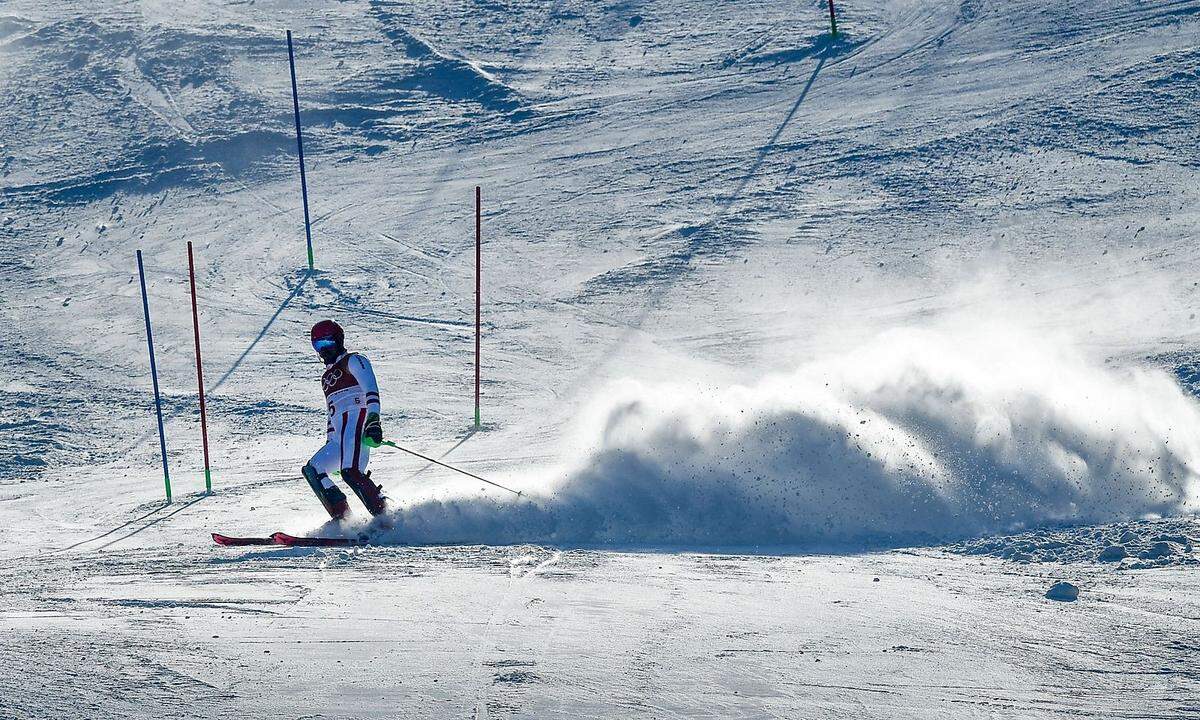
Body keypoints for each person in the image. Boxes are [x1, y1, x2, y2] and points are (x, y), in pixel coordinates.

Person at [301, 319, 387, 519]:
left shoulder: (355, 360)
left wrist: (373, 420)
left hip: (357, 425)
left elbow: (371, 390)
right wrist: (330, 442)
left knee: (351, 472)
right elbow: (332, 411)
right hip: (339, 437)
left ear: (338, 340)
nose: (323, 350)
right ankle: (344, 519)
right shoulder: (326, 377)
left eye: (327, 343)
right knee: (313, 470)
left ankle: (387, 519)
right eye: (318, 346)